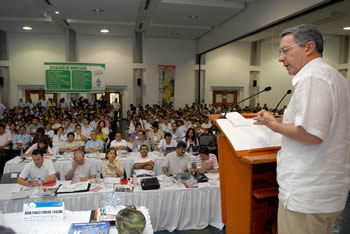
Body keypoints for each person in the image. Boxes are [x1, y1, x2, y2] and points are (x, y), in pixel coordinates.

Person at [254, 25, 350, 234]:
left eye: (286, 50)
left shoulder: (313, 77)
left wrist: (274, 125)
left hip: (306, 195)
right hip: (325, 191)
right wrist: (279, 119)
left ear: (309, 47)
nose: (281, 58)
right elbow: (317, 122)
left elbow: (312, 133)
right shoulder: (334, 76)